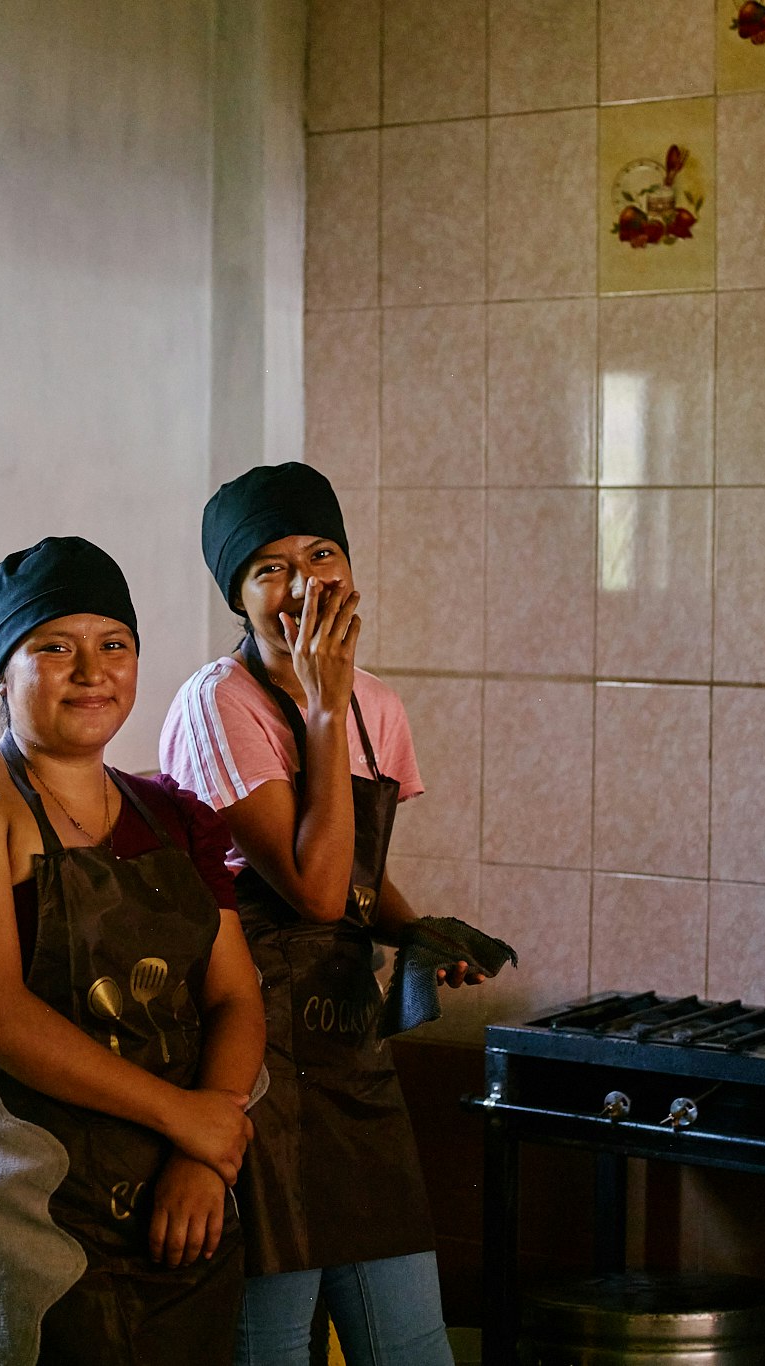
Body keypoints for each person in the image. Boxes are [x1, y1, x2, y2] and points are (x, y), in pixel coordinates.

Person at [0, 535, 267, 1366]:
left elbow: (235, 998)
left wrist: (203, 1159)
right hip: (31, 1191)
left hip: (180, 1191)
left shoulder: (173, 817)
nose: (91, 671)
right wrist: (189, 1121)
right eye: (54, 648)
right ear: (2, 671)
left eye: (114, 646)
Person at [159, 463, 480, 1366]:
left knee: (411, 1341)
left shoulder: (377, 703)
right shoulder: (217, 704)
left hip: (346, 1048)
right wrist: (323, 707)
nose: (301, 585)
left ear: (351, 570)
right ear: (238, 596)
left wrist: (416, 933)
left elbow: (355, 885)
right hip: (248, 1048)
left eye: (320, 554)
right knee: (271, 1343)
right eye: (267, 568)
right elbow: (307, 891)